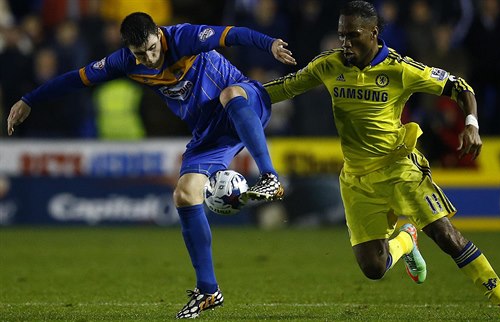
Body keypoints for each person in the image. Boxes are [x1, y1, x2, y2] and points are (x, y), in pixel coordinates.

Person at [6, 12, 295, 319]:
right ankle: (209, 290)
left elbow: (233, 33)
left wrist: (270, 44)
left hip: (245, 103)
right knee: (184, 194)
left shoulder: (185, 37)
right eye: (139, 54)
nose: (149, 59)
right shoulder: (124, 62)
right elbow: (77, 79)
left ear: (159, 34)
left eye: (152, 49)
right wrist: (29, 100)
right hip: (210, 133)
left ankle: (269, 176)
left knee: (230, 92)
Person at [263, 2, 500, 321]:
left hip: (399, 168)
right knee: (373, 267)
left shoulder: (400, 68)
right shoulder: (330, 65)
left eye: (352, 36)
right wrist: (240, 96)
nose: (345, 44)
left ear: (373, 33)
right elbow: (284, 87)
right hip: (356, 179)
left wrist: (472, 125)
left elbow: (461, 88)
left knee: (447, 236)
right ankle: (407, 239)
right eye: (341, 36)